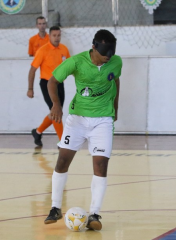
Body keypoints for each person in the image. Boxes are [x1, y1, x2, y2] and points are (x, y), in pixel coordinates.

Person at [44, 29, 122, 231]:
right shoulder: (76, 61)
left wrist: (116, 105)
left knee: (101, 165)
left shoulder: (115, 61)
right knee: (62, 160)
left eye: (110, 55)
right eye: (103, 55)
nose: (106, 59)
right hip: (77, 119)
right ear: (94, 47)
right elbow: (52, 81)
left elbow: (116, 79)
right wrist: (56, 104)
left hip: (103, 120)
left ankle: (95, 213)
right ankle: (55, 207)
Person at [27, 26, 70, 146]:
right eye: (54, 35)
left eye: (58, 35)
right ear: (49, 36)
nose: (57, 38)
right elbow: (32, 70)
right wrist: (30, 88)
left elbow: (70, 66)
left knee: (57, 112)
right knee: (56, 110)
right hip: (47, 84)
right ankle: (62, 141)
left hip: (59, 84)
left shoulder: (64, 49)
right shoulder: (43, 50)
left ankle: (38, 132)